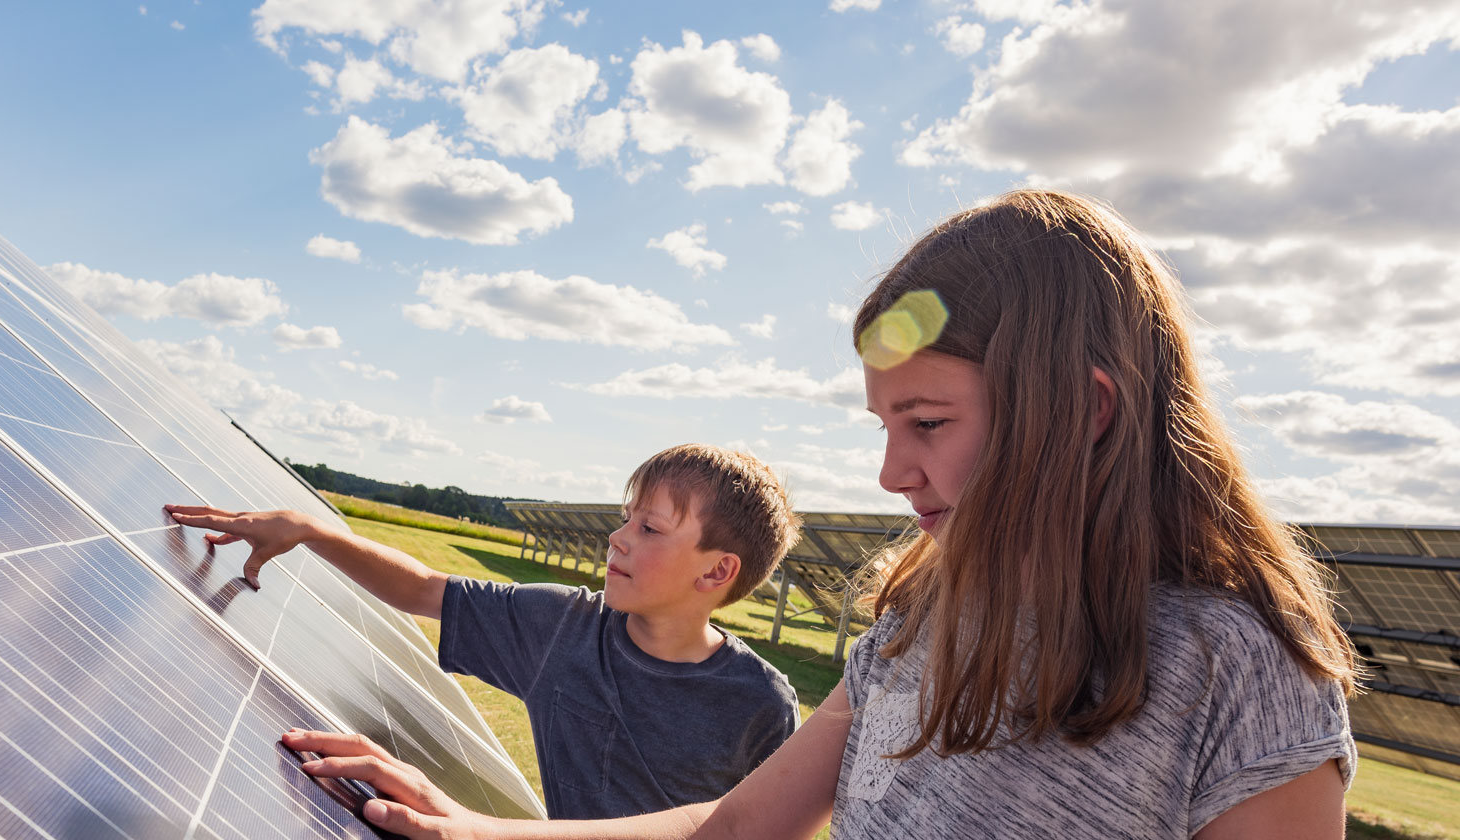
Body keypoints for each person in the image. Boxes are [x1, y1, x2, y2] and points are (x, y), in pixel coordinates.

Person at [286, 189, 1359, 839]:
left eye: (927, 422)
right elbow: (740, 823)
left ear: (1081, 408)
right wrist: (466, 826)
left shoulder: (1241, 676)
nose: (892, 472)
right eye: (881, 426)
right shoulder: (913, 617)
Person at [165, 443, 804, 819]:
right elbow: (419, 587)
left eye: (650, 529)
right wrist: (312, 530)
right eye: (625, 518)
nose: (618, 537)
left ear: (718, 571)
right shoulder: (561, 628)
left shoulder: (759, 704)